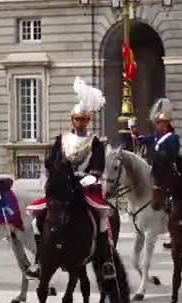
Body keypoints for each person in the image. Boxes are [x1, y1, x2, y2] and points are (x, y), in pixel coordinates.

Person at [26, 77, 113, 279]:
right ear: (72, 120)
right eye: (77, 119)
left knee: (102, 218)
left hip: (85, 187)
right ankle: (39, 259)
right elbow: (53, 161)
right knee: (35, 219)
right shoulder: (62, 140)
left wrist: (88, 178)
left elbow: (98, 168)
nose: (81, 123)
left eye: (84, 119)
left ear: (88, 121)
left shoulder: (95, 142)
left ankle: (106, 260)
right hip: (63, 187)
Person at [132, 98, 180, 249]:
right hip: (158, 169)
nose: (159, 126)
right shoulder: (157, 136)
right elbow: (147, 139)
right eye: (158, 123)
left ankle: (175, 232)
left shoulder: (173, 137)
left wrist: (161, 157)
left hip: (169, 171)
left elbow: (173, 154)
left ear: (167, 124)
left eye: (162, 123)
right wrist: (136, 135)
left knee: (174, 198)